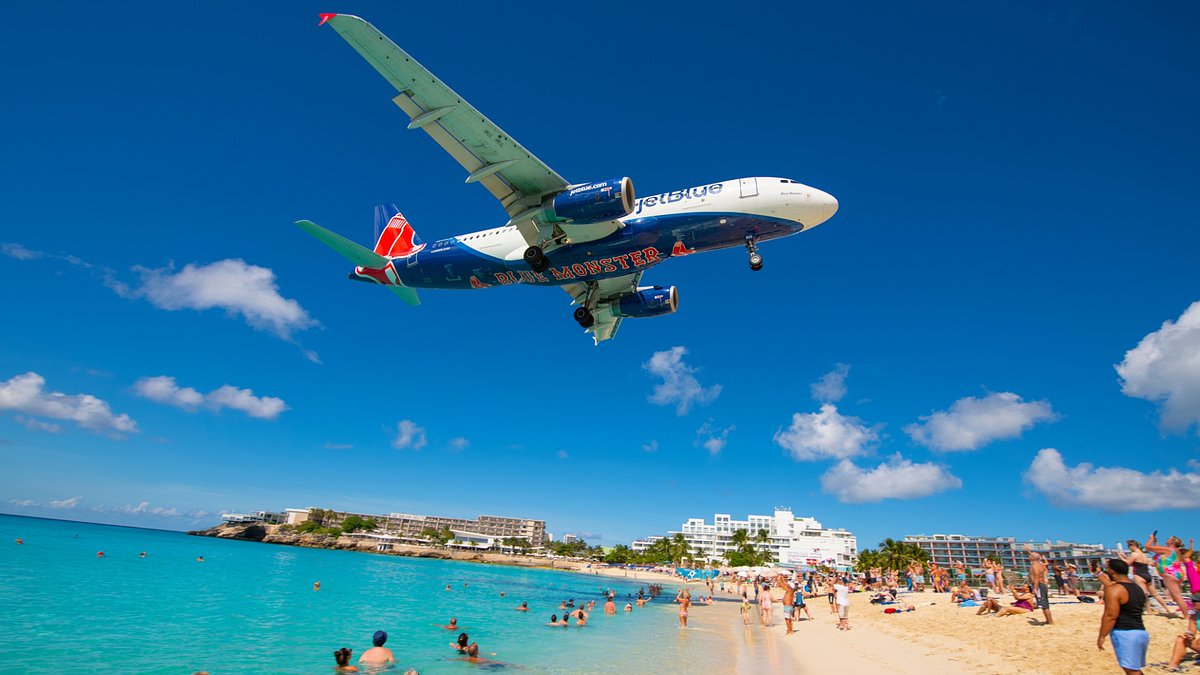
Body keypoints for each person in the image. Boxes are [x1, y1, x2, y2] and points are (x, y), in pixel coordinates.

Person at [1097, 559, 1147, 675]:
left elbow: (1110, 616)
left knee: (1132, 671)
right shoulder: (1136, 588)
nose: (1106, 571)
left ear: (1112, 571)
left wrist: (1102, 636)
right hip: (1140, 632)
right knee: (1134, 669)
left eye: (1107, 569)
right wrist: (1098, 573)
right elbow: (1113, 587)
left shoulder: (1114, 590)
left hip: (1125, 633)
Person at [1119, 540, 1172, 615]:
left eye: (1129, 546)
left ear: (1132, 546)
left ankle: (1149, 611)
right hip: (1147, 574)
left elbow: (1127, 564)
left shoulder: (1134, 554)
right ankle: (1167, 609)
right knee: (1155, 594)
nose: (1129, 548)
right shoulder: (1144, 555)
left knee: (1144, 594)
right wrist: (1125, 557)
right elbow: (1136, 563)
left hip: (1139, 575)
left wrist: (1121, 557)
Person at [1146, 533, 1192, 619]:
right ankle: (1187, 614)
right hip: (1177, 574)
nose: (1167, 539)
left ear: (1172, 542)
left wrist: (1151, 539)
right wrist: (1155, 541)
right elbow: (1158, 551)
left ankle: (1187, 617)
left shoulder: (1168, 549)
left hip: (1170, 575)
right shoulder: (1175, 550)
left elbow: (1148, 547)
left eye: (1169, 538)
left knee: (1178, 597)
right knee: (1175, 597)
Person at [1025, 546, 1054, 625]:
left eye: (1030, 555)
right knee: (1044, 604)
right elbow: (1035, 557)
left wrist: (1035, 588)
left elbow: (1037, 577)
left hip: (1039, 586)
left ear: (1032, 558)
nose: (1028, 556)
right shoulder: (1038, 563)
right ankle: (1048, 620)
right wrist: (1028, 551)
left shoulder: (1035, 566)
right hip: (1041, 585)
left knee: (1044, 605)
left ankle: (1050, 622)